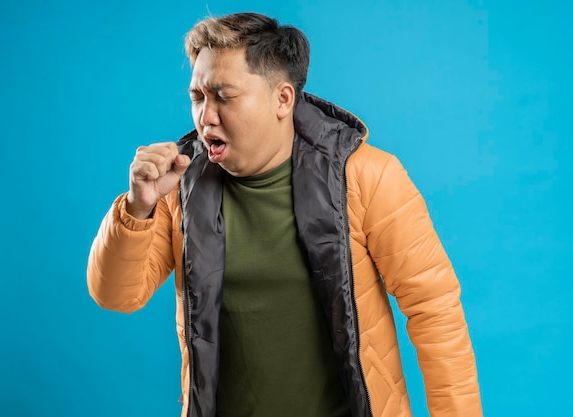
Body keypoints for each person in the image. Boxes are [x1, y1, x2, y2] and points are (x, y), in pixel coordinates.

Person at [87, 12, 482, 417]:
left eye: (223, 96)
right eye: (197, 97)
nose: (205, 117)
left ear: (283, 99)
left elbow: (435, 311)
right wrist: (137, 208)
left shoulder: (365, 176)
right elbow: (117, 296)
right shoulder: (180, 186)